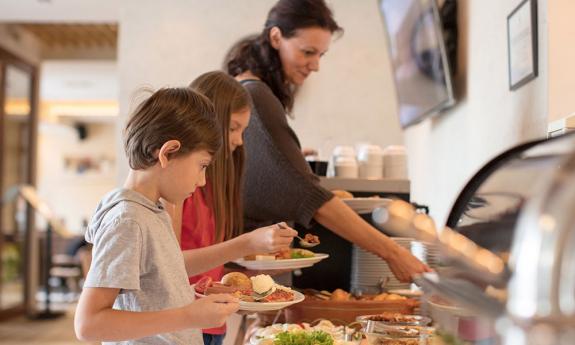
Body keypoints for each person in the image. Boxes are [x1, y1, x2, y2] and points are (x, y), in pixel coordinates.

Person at [226, 0, 431, 282]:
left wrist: (291, 157)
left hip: (246, 264)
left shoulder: (246, 88)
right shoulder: (256, 95)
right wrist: (393, 252)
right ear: (276, 37)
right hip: (243, 269)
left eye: (321, 54)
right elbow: (313, 198)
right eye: (308, 52)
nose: (316, 65)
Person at [74, 87, 240, 344]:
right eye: (202, 166)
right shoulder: (128, 220)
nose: (202, 180)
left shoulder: (153, 211)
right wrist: (188, 315)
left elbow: (150, 296)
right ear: (167, 153)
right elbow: (89, 324)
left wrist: (186, 296)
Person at [168, 71, 297, 345]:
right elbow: (170, 265)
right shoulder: (177, 188)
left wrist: (258, 275)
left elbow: (207, 273)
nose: (239, 141)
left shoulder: (213, 185)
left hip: (214, 325)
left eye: (243, 130)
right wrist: (246, 244)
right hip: (185, 325)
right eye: (233, 128)